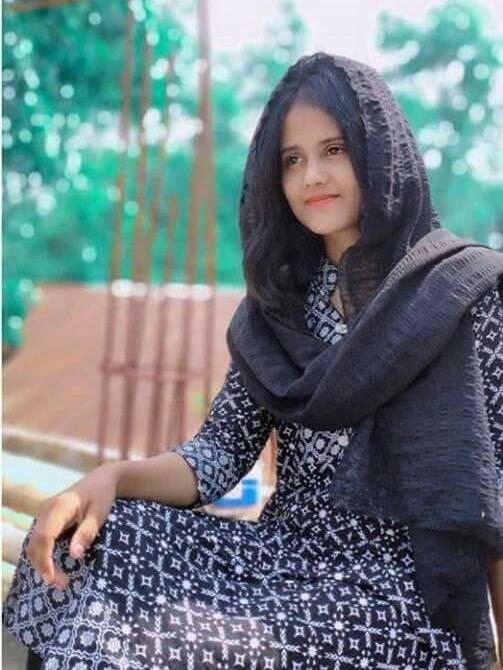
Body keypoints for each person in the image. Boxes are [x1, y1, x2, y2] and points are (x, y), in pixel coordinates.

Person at [4, 52, 503, 670]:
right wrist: (108, 480)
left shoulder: (461, 293)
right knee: (98, 542)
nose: (312, 176)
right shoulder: (282, 303)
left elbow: (492, 490)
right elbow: (218, 454)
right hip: (282, 556)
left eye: (335, 149)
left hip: (396, 590)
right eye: (292, 160)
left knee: (175, 641)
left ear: (381, 152)